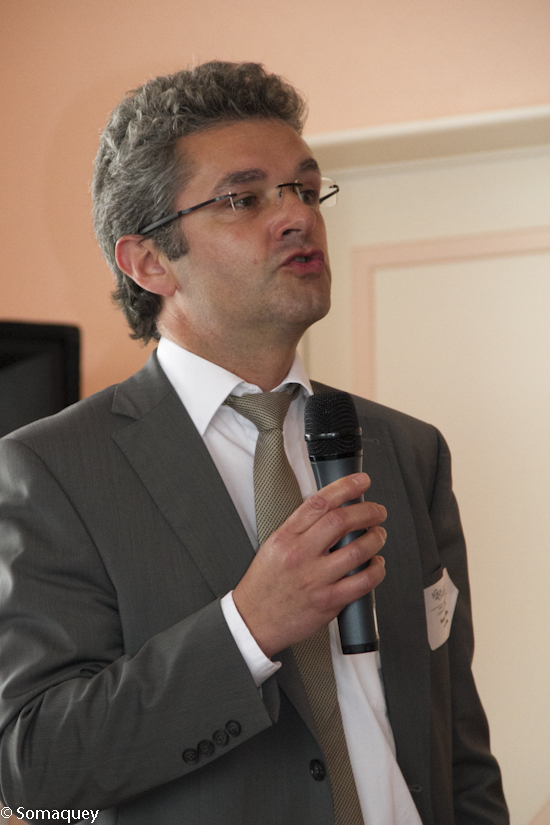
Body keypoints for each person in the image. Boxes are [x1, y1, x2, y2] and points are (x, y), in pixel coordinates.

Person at [0, 62, 508, 825]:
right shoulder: (53, 470)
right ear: (148, 261)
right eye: (244, 198)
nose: (297, 215)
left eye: (305, 188)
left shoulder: (407, 449)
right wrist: (248, 626)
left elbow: (457, 742)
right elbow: (34, 763)